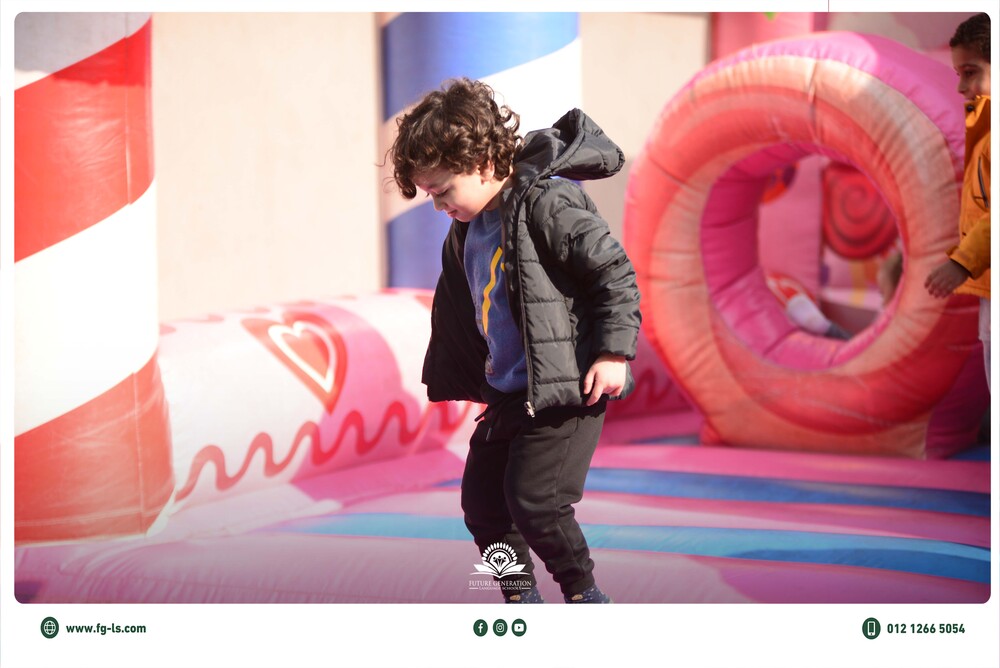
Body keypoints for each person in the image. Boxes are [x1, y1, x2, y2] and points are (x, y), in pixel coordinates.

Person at [388, 78, 641, 603]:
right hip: (510, 393)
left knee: (537, 502)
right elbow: (467, 310)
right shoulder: (466, 230)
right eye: (430, 195)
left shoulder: (547, 202)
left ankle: (586, 595)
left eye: (442, 191)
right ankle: (521, 601)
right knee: (483, 508)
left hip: (566, 386)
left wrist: (613, 352)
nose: (438, 206)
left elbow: (613, 272)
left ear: (482, 163)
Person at [925, 12, 991, 392]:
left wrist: (962, 261)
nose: (962, 87)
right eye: (958, 74)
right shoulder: (985, 130)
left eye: (971, 73)